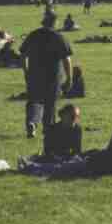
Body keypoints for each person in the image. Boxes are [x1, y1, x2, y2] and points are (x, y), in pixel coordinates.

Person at [20, 10, 74, 141]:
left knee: (34, 101)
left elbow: (23, 55)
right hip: (52, 76)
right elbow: (66, 59)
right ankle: (48, 130)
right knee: (50, 104)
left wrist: (26, 71)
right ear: (54, 22)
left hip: (34, 75)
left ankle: (32, 122)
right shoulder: (58, 37)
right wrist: (69, 78)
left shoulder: (33, 35)